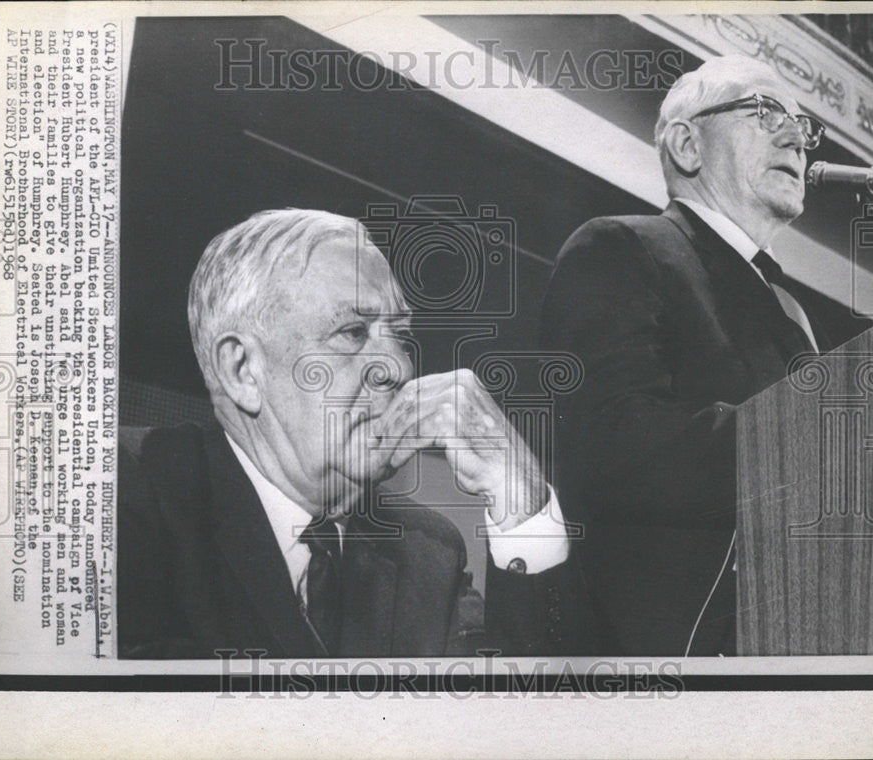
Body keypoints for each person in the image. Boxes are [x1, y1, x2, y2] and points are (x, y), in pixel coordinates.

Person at [119, 208, 592, 659]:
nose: (399, 366)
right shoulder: (120, 492)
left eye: (400, 336)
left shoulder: (430, 551)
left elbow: (526, 720)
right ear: (242, 369)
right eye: (352, 332)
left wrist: (522, 502)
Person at [542, 55, 836, 656]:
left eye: (803, 127)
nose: (795, 137)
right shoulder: (620, 246)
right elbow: (613, 443)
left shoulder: (791, 311)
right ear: (686, 144)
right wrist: (814, 436)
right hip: (666, 659)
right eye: (765, 111)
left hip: (801, 633)